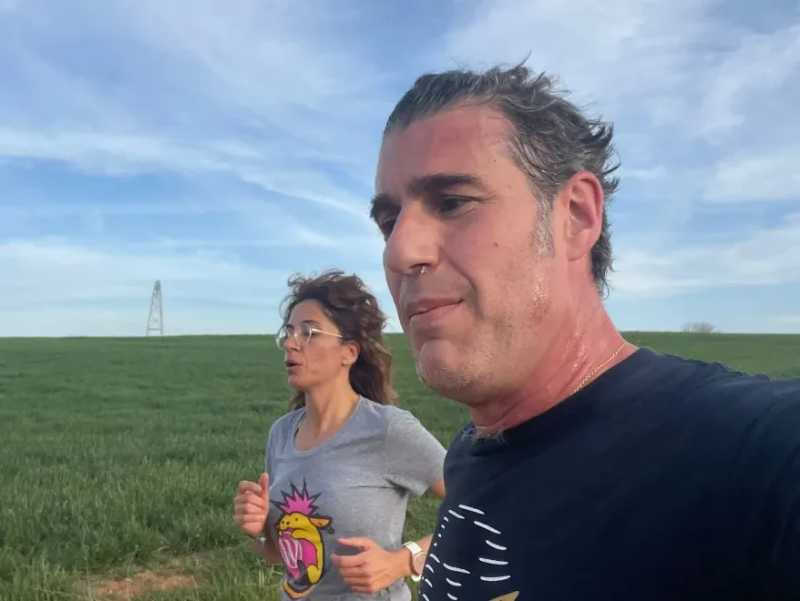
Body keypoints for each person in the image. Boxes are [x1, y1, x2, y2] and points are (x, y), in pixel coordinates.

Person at [369, 64, 800, 600]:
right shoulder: (471, 451)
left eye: (453, 202)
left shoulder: (749, 457)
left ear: (575, 215)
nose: (399, 251)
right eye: (388, 222)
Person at [233, 270, 445, 601]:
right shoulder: (282, 433)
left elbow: (476, 509)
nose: (290, 343)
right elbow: (283, 557)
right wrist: (258, 527)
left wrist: (402, 561)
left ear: (349, 352)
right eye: (288, 331)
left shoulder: (387, 430)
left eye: (308, 332)